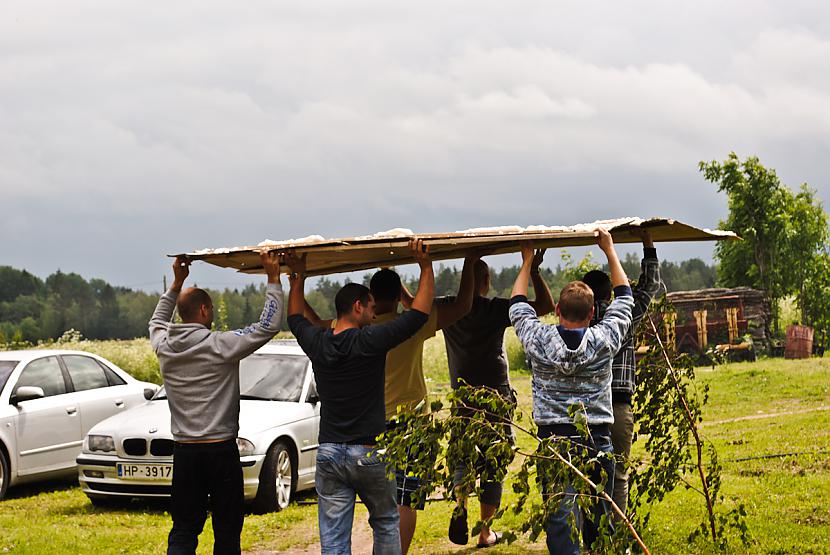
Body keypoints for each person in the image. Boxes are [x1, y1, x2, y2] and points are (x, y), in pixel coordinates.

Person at [303, 253, 479, 554]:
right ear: (399, 295)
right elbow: (463, 306)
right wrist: (470, 262)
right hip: (411, 425)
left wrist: (298, 283)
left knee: (357, 516)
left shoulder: (350, 328)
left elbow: (306, 322)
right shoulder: (408, 326)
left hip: (366, 429)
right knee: (404, 500)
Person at [286, 239, 435, 555]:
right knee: (385, 521)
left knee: (334, 538)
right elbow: (419, 313)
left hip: (328, 452)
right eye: (370, 307)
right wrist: (425, 265)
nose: (374, 312)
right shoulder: (371, 340)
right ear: (357, 306)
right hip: (368, 451)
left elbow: (295, 319)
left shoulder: (318, 341)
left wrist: (296, 277)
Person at [149, 252, 284, 555]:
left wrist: (176, 283)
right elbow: (267, 326)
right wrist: (273, 278)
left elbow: (156, 320)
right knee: (226, 529)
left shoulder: (164, 346)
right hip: (220, 449)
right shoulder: (220, 344)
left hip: (184, 451)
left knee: (183, 528)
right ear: (206, 310)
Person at [509, 230, 633, 554]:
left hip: (555, 442)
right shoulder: (604, 339)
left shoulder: (538, 340)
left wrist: (526, 263)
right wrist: (609, 251)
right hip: (597, 439)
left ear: (557, 312)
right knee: (598, 520)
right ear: (593, 314)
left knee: (561, 522)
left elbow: (518, 306)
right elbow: (625, 299)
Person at [441, 249, 555, 548]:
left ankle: (461, 506)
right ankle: (484, 532)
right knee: (494, 461)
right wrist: (533, 271)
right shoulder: (494, 309)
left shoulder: (447, 309)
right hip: (495, 396)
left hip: (462, 398)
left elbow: (409, 305)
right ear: (486, 281)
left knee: (463, 456)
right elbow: (545, 305)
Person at [582, 229, 663, 514]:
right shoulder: (623, 317)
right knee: (618, 476)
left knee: (586, 476)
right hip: (618, 405)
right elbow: (649, 286)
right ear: (609, 293)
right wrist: (647, 242)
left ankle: (589, 535)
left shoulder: (579, 317)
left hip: (584, 408)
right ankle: (615, 536)